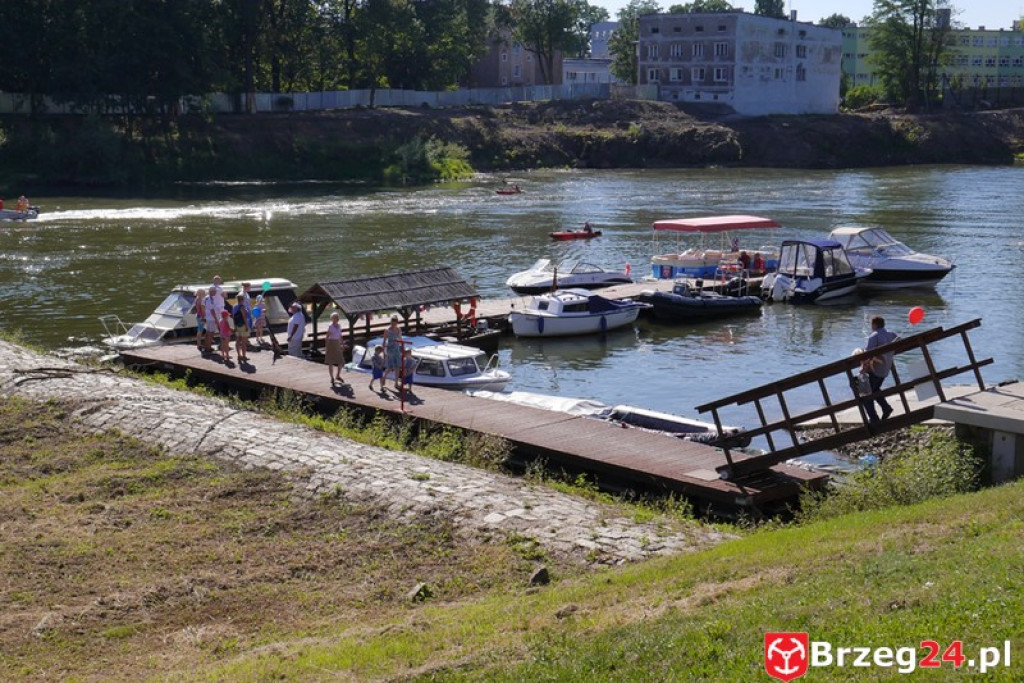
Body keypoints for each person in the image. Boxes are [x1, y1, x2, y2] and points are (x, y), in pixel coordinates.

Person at [860, 315, 899, 423]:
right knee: (875, 389)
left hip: (875, 370)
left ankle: (874, 418)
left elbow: (868, 354)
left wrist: (862, 365)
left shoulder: (874, 336)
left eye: (871, 324)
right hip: (886, 369)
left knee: (864, 392)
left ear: (874, 325)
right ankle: (886, 408)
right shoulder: (892, 334)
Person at [325, 311, 346, 386]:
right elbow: (327, 337)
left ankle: (338, 375)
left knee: (340, 361)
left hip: (337, 343)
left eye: (337, 317)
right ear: (332, 319)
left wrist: (342, 344)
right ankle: (331, 377)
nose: (336, 319)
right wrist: (326, 347)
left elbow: (340, 335)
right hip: (331, 343)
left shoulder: (339, 325)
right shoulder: (330, 326)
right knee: (331, 362)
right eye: (335, 317)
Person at [382, 315, 403, 388]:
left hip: (397, 349)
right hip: (390, 349)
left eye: (395, 323)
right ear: (390, 322)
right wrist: (384, 352)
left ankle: (396, 383)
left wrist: (403, 348)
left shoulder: (399, 329)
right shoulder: (387, 330)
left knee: (397, 366)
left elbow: (400, 339)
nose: (393, 324)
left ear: (397, 322)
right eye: (392, 323)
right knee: (391, 367)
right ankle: (384, 377)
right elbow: (384, 341)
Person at [232, 296, 251, 363]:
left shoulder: (234, 306)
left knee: (237, 341)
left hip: (237, 325)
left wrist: (234, 326)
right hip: (242, 325)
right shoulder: (242, 307)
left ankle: (238, 355)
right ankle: (244, 356)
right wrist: (246, 326)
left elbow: (233, 317)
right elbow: (244, 317)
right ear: (242, 300)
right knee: (244, 342)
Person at [202, 286, 219, 353]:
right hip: (211, 318)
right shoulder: (209, 299)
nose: (215, 292)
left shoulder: (207, 298)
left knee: (208, 332)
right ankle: (208, 347)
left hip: (208, 317)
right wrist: (216, 319)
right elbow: (212, 310)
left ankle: (206, 345)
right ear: (211, 291)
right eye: (214, 291)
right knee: (211, 333)